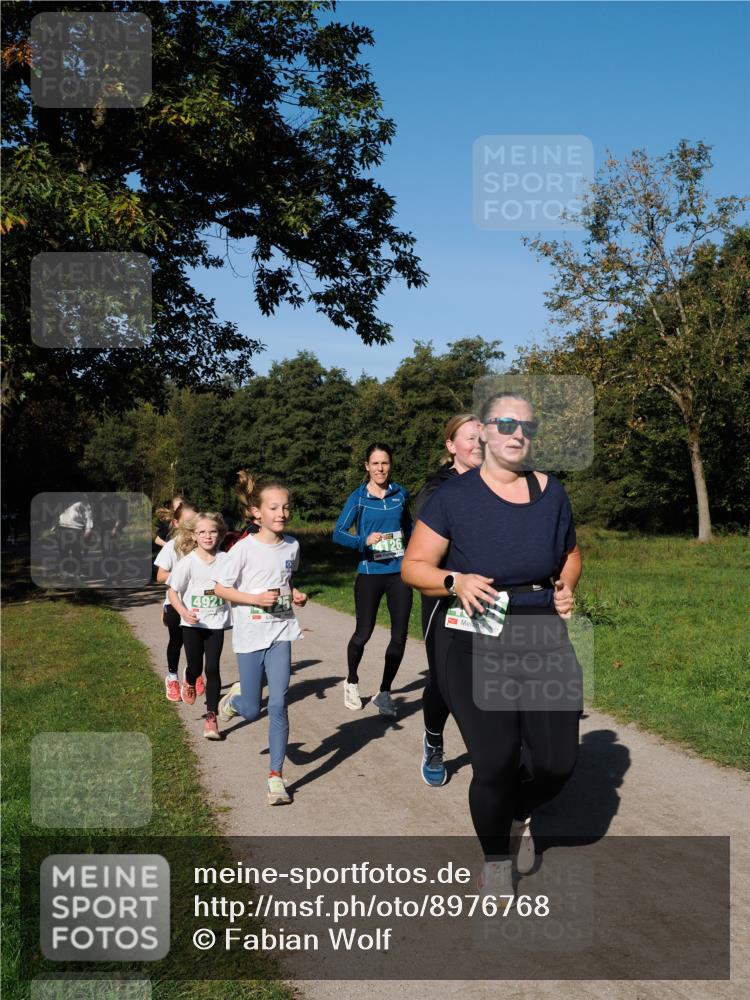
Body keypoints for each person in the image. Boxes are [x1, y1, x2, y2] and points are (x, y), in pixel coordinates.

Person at [402, 392, 582, 892]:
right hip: (474, 638)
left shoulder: (553, 493)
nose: (516, 433)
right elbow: (413, 567)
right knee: (496, 761)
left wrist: (566, 586)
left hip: (542, 633)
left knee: (557, 764)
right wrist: (454, 582)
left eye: (527, 424)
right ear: (482, 432)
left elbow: (570, 553)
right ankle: (497, 860)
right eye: (505, 423)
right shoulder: (453, 499)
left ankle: (521, 808)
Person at [212, 476, 308, 805]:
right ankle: (234, 702)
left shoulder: (292, 546)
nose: (281, 513)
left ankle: (276, 777)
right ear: (257, 512)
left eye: (285, 507)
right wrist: (254, 600)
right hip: (250, 635)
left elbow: (285, 578)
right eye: (274, 507)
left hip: (281, 631)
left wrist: (294, 593)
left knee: (279, 704)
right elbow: (221, 589)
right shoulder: (243, 549)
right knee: (253, 710)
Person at [412, 414, 483, 787]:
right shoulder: (437, 489)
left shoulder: (503, 483)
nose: (479, 444)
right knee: (445, 680)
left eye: (484, 437)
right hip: (447, 595)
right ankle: (434, 741)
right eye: (470, 438)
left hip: (490, 594)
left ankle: (498, 756)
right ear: (451, 445)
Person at [332, 443, 413, 717]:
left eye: (385, 463)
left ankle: (385, 692)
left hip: (399, 573)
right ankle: (352, 681)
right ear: (367, 466)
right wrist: (362, 541)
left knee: (399, 635)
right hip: (369, 574)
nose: (380, 468)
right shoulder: (358, 498)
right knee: (363, 634)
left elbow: (409, 528)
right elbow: (338, 533)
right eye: (375, 463)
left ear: (391, 465)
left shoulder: (401, 494)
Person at [166, 512, 232, 739]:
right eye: (202, 532)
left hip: (216, 623)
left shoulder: (227, 560)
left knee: (212, 667)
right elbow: (172, 592)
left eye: (213, 531)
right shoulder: (188, 563)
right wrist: (184, 611)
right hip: (192, 624)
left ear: (221, 534)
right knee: (196, 667)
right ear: (193, 536)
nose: (208, 536)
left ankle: (211, 717)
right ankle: (189, 677)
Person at [154, 500, 197, 701]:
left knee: (196, 643)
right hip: (175, 601)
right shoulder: (171, 546)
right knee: (177, 641)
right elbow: (160, 576)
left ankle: (193, 673)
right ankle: (172, 677)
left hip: (197, 604)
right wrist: (182, 575)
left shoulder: (204, 544)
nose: (192, 526)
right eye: (188, 521)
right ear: (176, 523)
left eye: (196, 521)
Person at [56, 497, 94, 580]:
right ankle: (64, 573)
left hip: (76, 529)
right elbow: (57, 514)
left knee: (76, 552)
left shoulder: (84, 503)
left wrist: (88, 529)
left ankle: (77, 573)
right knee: (63, 552)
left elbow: (89, 517)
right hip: (62, 528)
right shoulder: (63, 500)